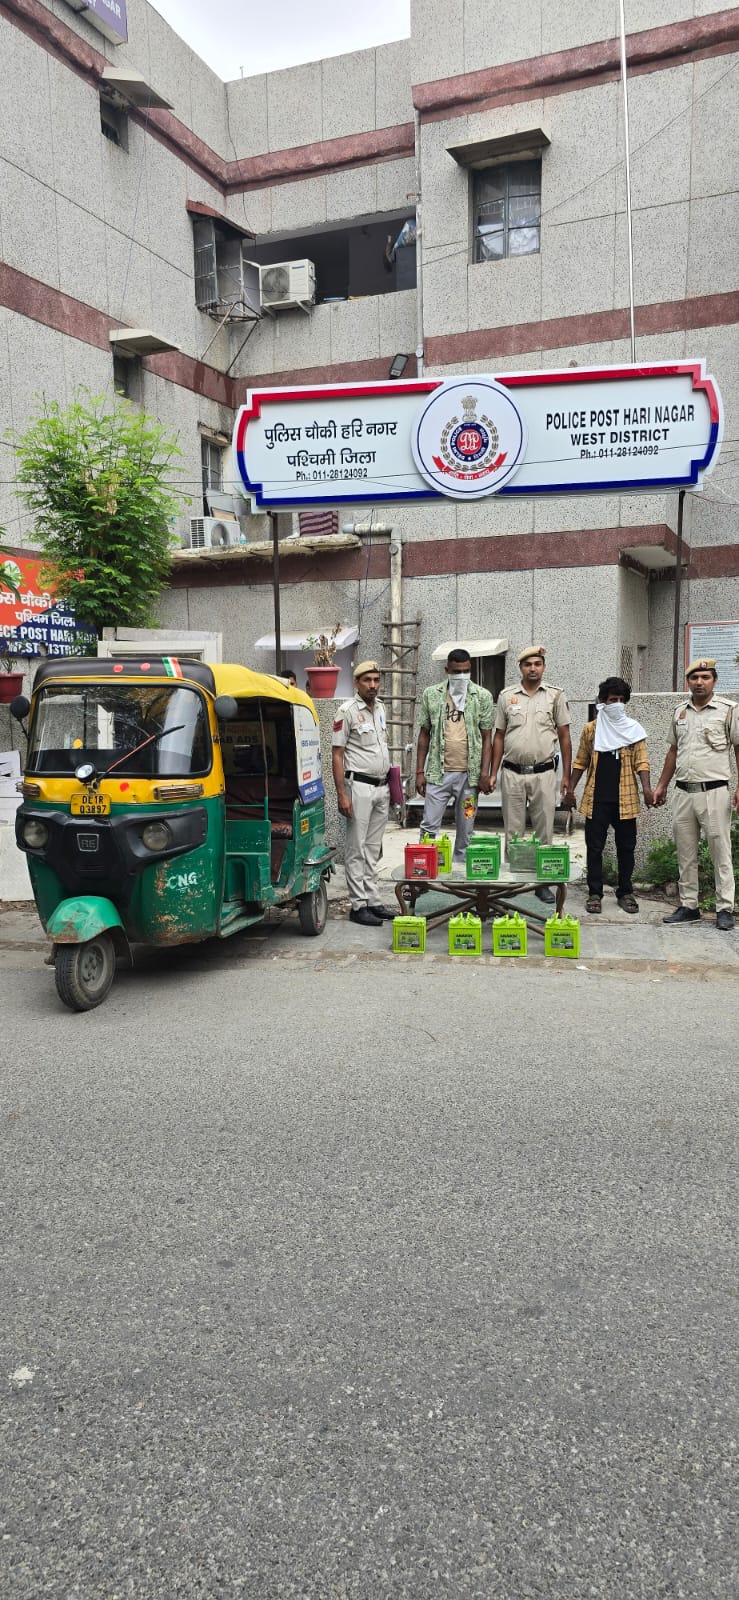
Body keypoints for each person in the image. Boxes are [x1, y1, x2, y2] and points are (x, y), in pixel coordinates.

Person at [653, 658, 739, 931]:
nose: (699, 682)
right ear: (688, 682)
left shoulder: (728, 711)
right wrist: (662, 785)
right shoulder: (680, 712)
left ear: (714, 680)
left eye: (705, 677)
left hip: (714, 792)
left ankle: (725, 907)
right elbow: (672, 752)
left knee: (720, 851)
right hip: (683, 792)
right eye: (694, 678)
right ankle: (689, 905)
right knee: (685, 852)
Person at [489, 645, 572, 902]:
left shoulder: (555, 696)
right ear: (520, 668)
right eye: (528, 664)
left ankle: (541, 882)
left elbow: (565, 737)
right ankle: (515, 880)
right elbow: (499, 736)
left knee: (543, 829)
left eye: (537, 664)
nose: (533, 668)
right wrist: (493, 772)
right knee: (513, 830)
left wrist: (566, 777)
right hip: (512, 772)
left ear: (543, 667)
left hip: (544, 773)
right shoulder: (506, 696)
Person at [565, 677, 653, 915]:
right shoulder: (591, 730)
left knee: (626, 847)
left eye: (622, 700)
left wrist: (646, 789)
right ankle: (595, 892)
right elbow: (581, 761)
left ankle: (625, 891)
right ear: (603, 701)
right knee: (594, 848)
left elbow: (642, 762)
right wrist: (571, 789)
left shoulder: (633, 729)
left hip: (625, 799)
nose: (618, 704)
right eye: (613, 700)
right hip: (597, 799)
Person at [415, 648, 493, 872]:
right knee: (429, 825)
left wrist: (484, 773)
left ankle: (460, 875)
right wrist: (419, 771)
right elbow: (424, 734)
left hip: (469, 779)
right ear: (447, 670)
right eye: (457, 671)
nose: (462, 676)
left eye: (466, 671)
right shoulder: (432, 694)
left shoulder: (482, 696)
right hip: (438, 776)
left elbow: (487, 737)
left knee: (466, 827)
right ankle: (424, 871)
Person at [331, 660, 394, 927]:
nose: (372, 685)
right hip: (359, 787)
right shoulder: (346, 711)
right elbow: (337, 754)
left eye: (376, 680)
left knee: (373, 848)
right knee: (356, 848)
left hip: (382, 787)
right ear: (356, 683)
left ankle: (373, 900)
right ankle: (358, 905)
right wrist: (341, 794)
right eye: (367, 680)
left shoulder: (381, 708)